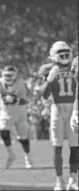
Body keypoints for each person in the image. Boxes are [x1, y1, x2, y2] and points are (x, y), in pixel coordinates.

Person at [38, 41, 78, 191]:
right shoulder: (49, 69)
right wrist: (49, 79)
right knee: (57, 147)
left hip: (74, 108)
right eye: (60, 52)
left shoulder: (76, 66)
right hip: (57, 109)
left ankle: (73, 180)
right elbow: (44, 95)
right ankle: (59, 181)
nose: (64, 55)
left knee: (75, 147)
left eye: (65, 52)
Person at [0, 65, 33, 169]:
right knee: (3, 131)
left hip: (20, 111)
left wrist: (14, 99)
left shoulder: (21, 83)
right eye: (6, 75)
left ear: (15, 75)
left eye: (10, 75)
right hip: (5, 111)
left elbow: (25, 100)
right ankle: (11, 154)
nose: (8, 77)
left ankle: (28, 158)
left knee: (23, 137)